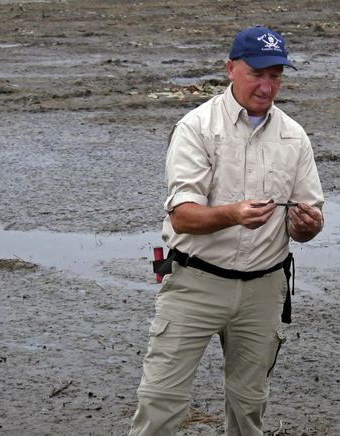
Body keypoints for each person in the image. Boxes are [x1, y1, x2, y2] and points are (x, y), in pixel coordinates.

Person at [129, 26, 325, 436]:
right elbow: (183, 216)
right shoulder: (197, 126)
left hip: (264, 287)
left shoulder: (294, 135)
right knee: (160, 401)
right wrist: (234, 214)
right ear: (230, 68)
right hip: (193, 280)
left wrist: (308, 226)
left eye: (276, 75)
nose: (267, 85)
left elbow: (308, 220)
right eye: (257, 73)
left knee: (249, 404)